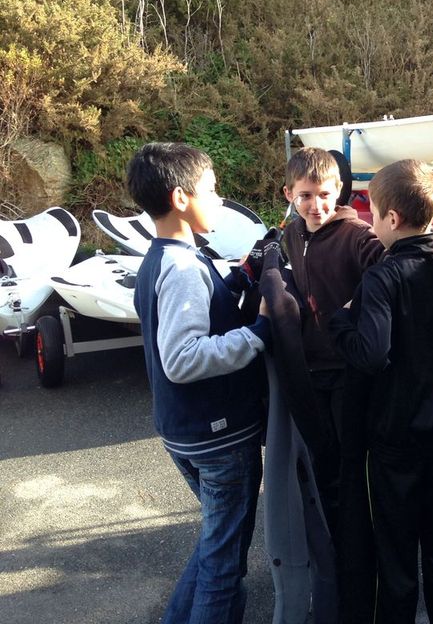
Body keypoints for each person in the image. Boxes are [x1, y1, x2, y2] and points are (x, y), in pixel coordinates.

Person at [331, 159, 433, 623]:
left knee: (397, 561)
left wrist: (341, 322)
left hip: (394, 445)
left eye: (373, 213)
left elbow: (371, 354)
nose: (371, 222)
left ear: (393, 218)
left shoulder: (381, 278)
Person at [127, 142, 270, 624]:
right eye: (211, 190)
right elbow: (182, 358)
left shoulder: (164, 258)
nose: (219, 199)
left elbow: (196, 311)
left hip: (184, 431)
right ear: (180, 198)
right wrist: (259, 333)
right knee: (224, 563)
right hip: (219, 437)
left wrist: (240, 278)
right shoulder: (183, 267)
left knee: (216, 542)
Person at [280, 146, 385, 621]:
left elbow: (394, 265)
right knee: (323, 470)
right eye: (305, 196)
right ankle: (334, 557)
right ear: (289, 194)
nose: (315, 205)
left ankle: (360, 563)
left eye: (324, 194)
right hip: (311, 373)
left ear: (339, 190)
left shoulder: (358, 235)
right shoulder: (291, 234)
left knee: (352, 471)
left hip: (349, 372)